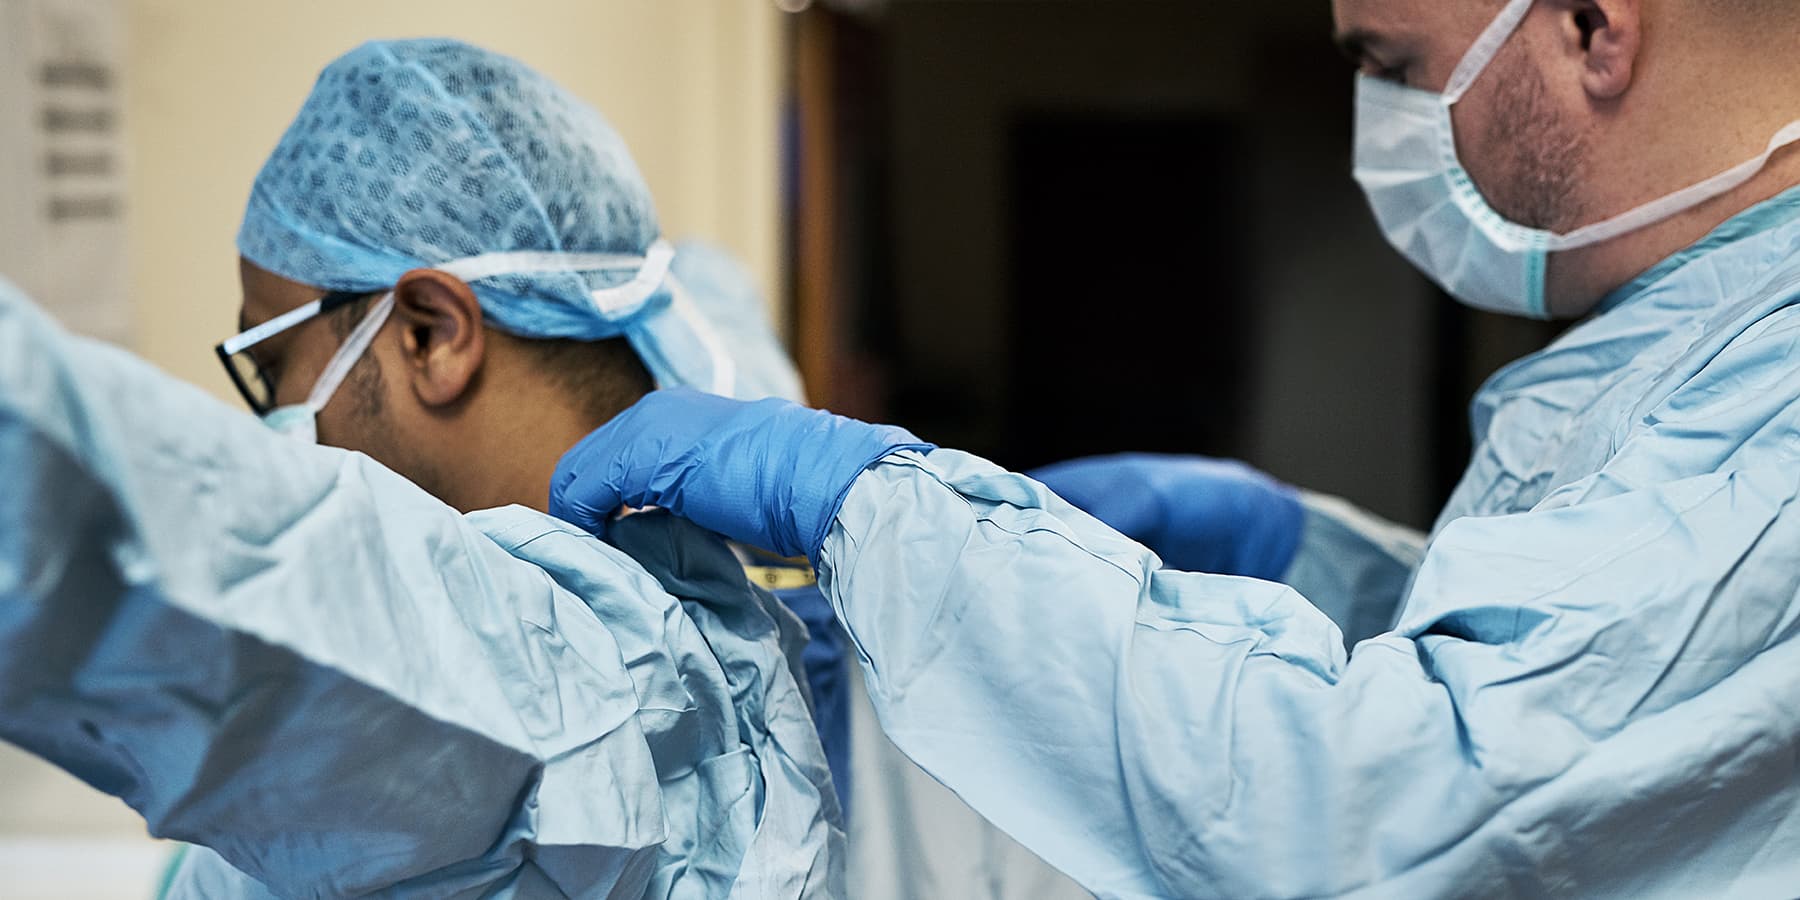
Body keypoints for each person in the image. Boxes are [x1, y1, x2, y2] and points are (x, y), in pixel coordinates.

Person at [547, 0, 1800, 896]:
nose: (1382, 126)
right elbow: (1618, 661)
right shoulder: (1699, 330)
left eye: (1392, 63)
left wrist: (880, 512)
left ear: (1591, 26)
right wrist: (1322, 561)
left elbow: (1405, 813)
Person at [1, 39, 844, 898]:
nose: (276, 421)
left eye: (273, 367)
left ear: (429, 334)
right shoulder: (700, 518)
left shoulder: (537, 680)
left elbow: (109, 524)